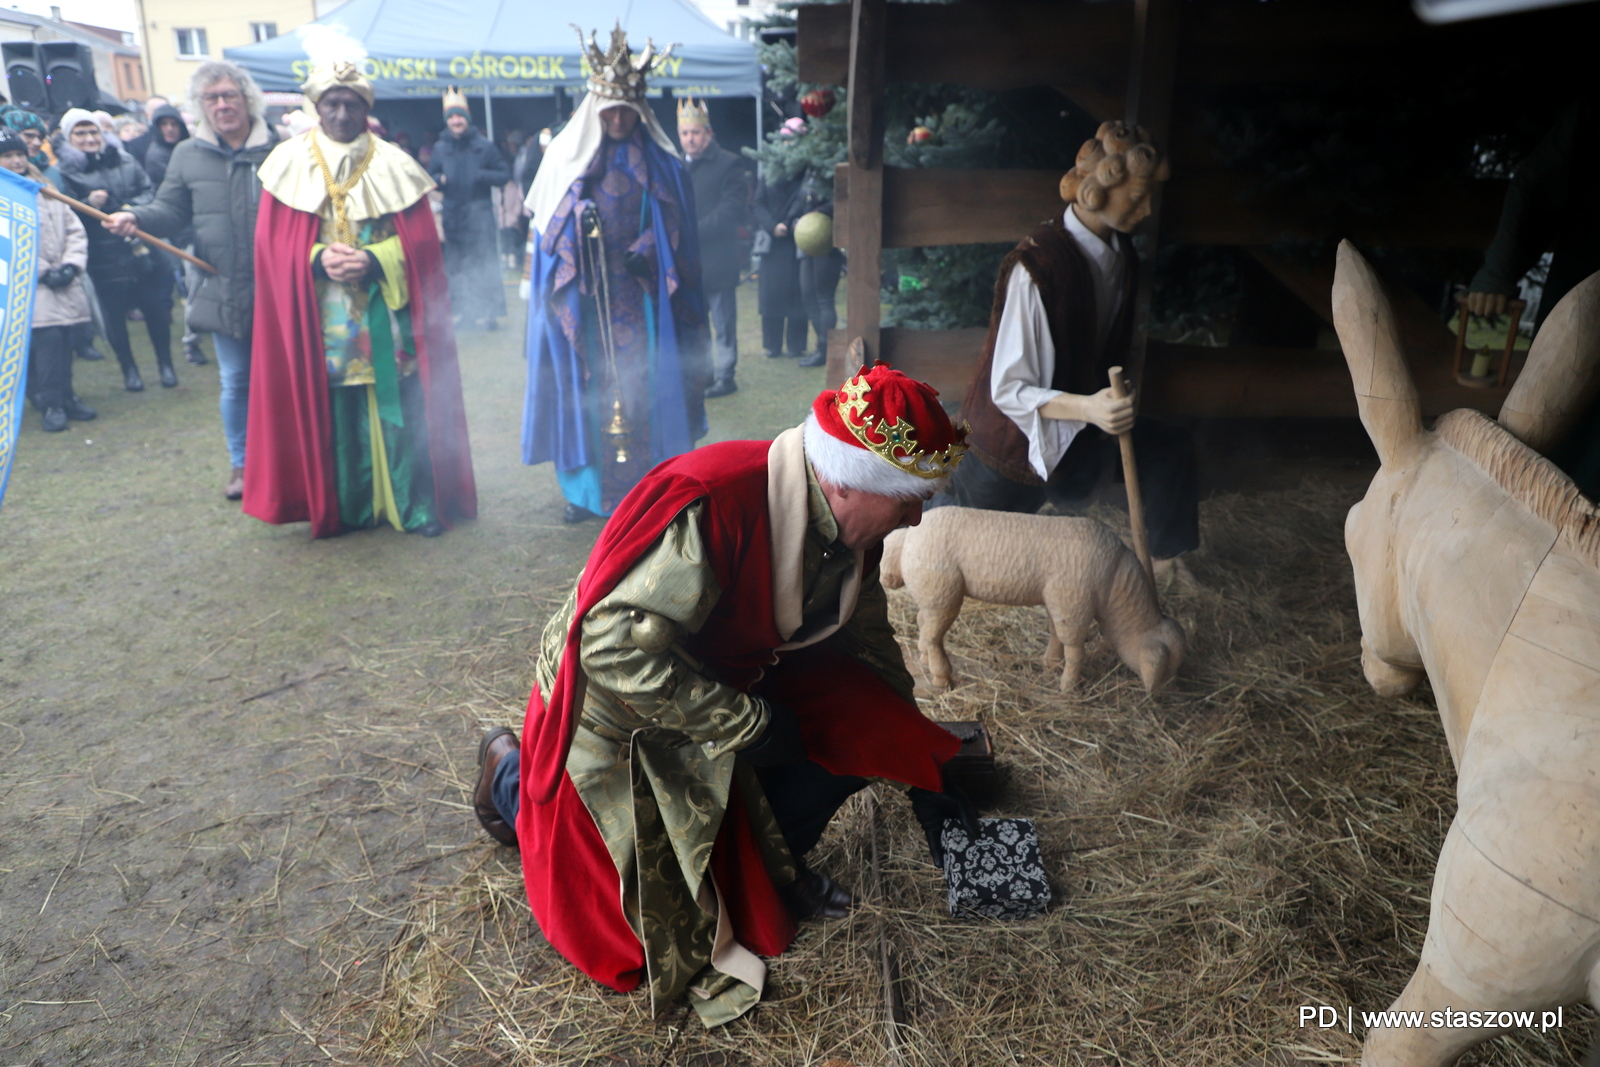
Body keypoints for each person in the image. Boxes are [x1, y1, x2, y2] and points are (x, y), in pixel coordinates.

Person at [473, 363, 978, 1027]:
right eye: (909, 495)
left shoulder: (849, 530)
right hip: (615, 714)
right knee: (640, 942)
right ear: (853, 481)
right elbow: (609, 649)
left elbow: (867, 641)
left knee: (859, 720)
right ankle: (508, 775)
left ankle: (768, 862)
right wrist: (742, 721)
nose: (916, 514)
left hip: (714, 686)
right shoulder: (718, 503)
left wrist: (914, 749)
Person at [934, 121, 1199, 569]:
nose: (1147, 210)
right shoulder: (1037, 265)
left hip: (1079, 428)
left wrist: (1102, 408)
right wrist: (1091, 409)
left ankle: (1167, 563)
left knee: (1167, 446)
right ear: (1095, 194)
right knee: (956, 543)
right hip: (1010, 443)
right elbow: (1009, 390)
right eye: (1137, 198)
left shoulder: (1122, 256)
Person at [242, 59, 476, 539]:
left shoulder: (394, 163)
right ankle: (346, 507)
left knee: (400, 405)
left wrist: (375, 260)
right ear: (317, 107)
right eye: (333, 104)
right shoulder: (287, 163)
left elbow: (425, 248)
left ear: (366, 108)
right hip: (321, 317)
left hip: (386, 312)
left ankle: (412, 505)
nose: (343, 114)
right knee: (336, 409)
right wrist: (314, 258)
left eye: (352, 104)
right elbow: (271, 247)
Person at [522, 25, 710, 523]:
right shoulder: (566, 159)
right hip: (585, 296)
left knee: (646, 382)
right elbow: (546, 236)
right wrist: (577, 225)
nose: (620, 119)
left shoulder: (664, 163)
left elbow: (680, 233)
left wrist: (650, 248)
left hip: (646, 296)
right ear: (595, 110)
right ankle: (586, 493)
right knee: (586, 384)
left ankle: (652, 482)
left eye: (628, 109)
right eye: (611, 110)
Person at [106, 60, 280, 501]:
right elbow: (169, 210)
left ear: (247, 99)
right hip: (221, 285)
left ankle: (285, 460)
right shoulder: (188, 154)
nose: (222, 105)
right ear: (201, 106)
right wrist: (135, 216)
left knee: (283, 377)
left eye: (230, 96)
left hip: (280, 287)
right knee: (236, 379)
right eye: (212, 98)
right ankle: (241, 465)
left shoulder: (282, 148)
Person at [1464, 90, 1600, 497]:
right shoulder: (1596, 109)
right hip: (1584, 313)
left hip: (1581, 307)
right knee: (1559, 455)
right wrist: (1497, 273)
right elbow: (1538, 187)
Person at [55, 107, 175, 392]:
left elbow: (148, 191)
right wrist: (87, 201)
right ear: (69, 137)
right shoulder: (64, 171)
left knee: (155, 310)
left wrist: (131, 211)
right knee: (115, 318)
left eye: (93, 131)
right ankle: (129, 371)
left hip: (139, 249)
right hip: (102, 256)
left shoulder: (125, 159)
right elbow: (65, 211)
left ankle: (166, 365)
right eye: (80, 133)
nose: (88, 138)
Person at [1, 133, 95, 432]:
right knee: (46, 345)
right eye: (8, 155)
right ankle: (50, 402)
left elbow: (74, 229)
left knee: (67, 342)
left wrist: (71, 265)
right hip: (29, 287)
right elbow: (9, 243)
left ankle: (67, 397)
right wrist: (41, 271)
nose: (16, 160)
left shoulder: (46, 189)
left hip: (63, 282)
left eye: (20, 154)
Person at [677, 97, 747, 397]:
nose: (690, 139)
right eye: (684, 133)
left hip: (718, 261)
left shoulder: (729, 164)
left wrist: (690, 233)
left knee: (723, 323)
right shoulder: (677, 166)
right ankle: (702, 375)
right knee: (698, 325)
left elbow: (730, 211)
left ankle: (726, 375)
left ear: (708, 133)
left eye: (695, 133)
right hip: (690, 264)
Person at [427, 88, 510, 331]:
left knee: (484, 262)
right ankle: (465, 313)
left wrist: (481, 175)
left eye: (459, 116)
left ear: (467, 118)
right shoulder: (440, 149)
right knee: (458, 267)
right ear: (447, 121)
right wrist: (439, 178)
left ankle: (489, 313)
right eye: (451, 117)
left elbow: (503, 174)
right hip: (454, 216)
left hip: (480, 216)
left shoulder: (485, 146)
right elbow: (429, 175)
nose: (456, 121)